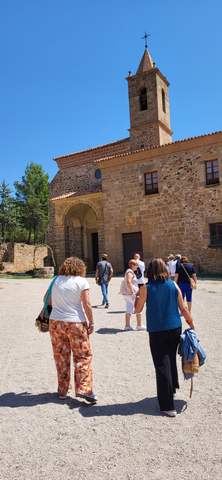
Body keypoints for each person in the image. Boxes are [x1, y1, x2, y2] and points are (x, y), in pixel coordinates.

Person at [135, 258, 195, 417]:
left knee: (161, 364)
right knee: (170, 359)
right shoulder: (173, 285)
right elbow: (183, 309)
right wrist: (191, 324)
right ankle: (172, 389)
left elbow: (137, 309)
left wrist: (137, 296)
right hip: (175, 327)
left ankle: (167, 405)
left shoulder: (146, 288)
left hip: (157, 330)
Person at [49, 256, 97, 403]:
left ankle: (62, 390)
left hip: (56, 321)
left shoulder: (56, 280)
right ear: (80, 268)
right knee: (83, 356)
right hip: (75, 322)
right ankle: (84, 389)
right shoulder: (81, 281)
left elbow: (50, 301)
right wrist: (91, 321)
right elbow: (87, 304)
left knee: (60, 356)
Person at [122, 259, 146, 331]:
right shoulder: (130, 272)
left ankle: (129, 325)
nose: (137, 266)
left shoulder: (130, 271)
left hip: (128, 293)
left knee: (130, 308)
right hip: (131, 294)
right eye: (136, 265)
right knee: (137, 307)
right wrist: (132, 291)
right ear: (132, 265)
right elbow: (129, 282)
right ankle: (137, 325)